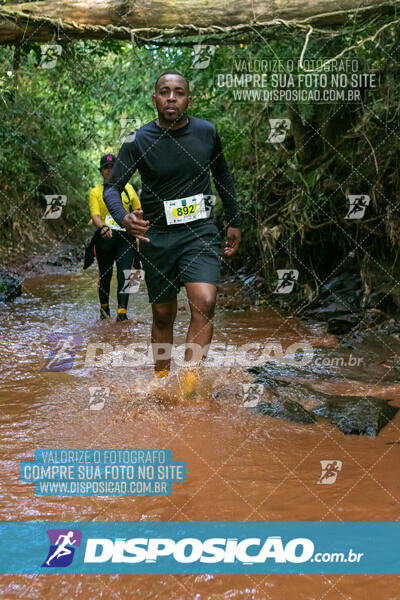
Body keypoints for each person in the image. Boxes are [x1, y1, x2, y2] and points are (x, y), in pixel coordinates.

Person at [104, 71, 241, 391]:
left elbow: (223, 176)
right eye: (164, 92)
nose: (171, 97)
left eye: (178, 92)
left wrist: (234, 219)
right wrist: (123, 217)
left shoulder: (207, 133)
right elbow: (112, 189)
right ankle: (163, 381)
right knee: (164, 314)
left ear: (188, 100)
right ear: (154, 99)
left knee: (205, 302)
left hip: (200, 232)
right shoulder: (138, 140)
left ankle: (189, 384)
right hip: (158, 237)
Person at [88, 154, 141, 321]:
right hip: (105, 238)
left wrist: (136, 222)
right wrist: (103, 227)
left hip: (126, 239)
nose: (109, 171)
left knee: (125, 274)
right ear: (101, 171)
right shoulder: (96, 192)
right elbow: (95, 215)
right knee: (105, 275)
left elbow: (139, 211)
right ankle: (104, 311)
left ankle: (122, 314)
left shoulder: (129, 190)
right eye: (106, 168)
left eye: (112, 167)